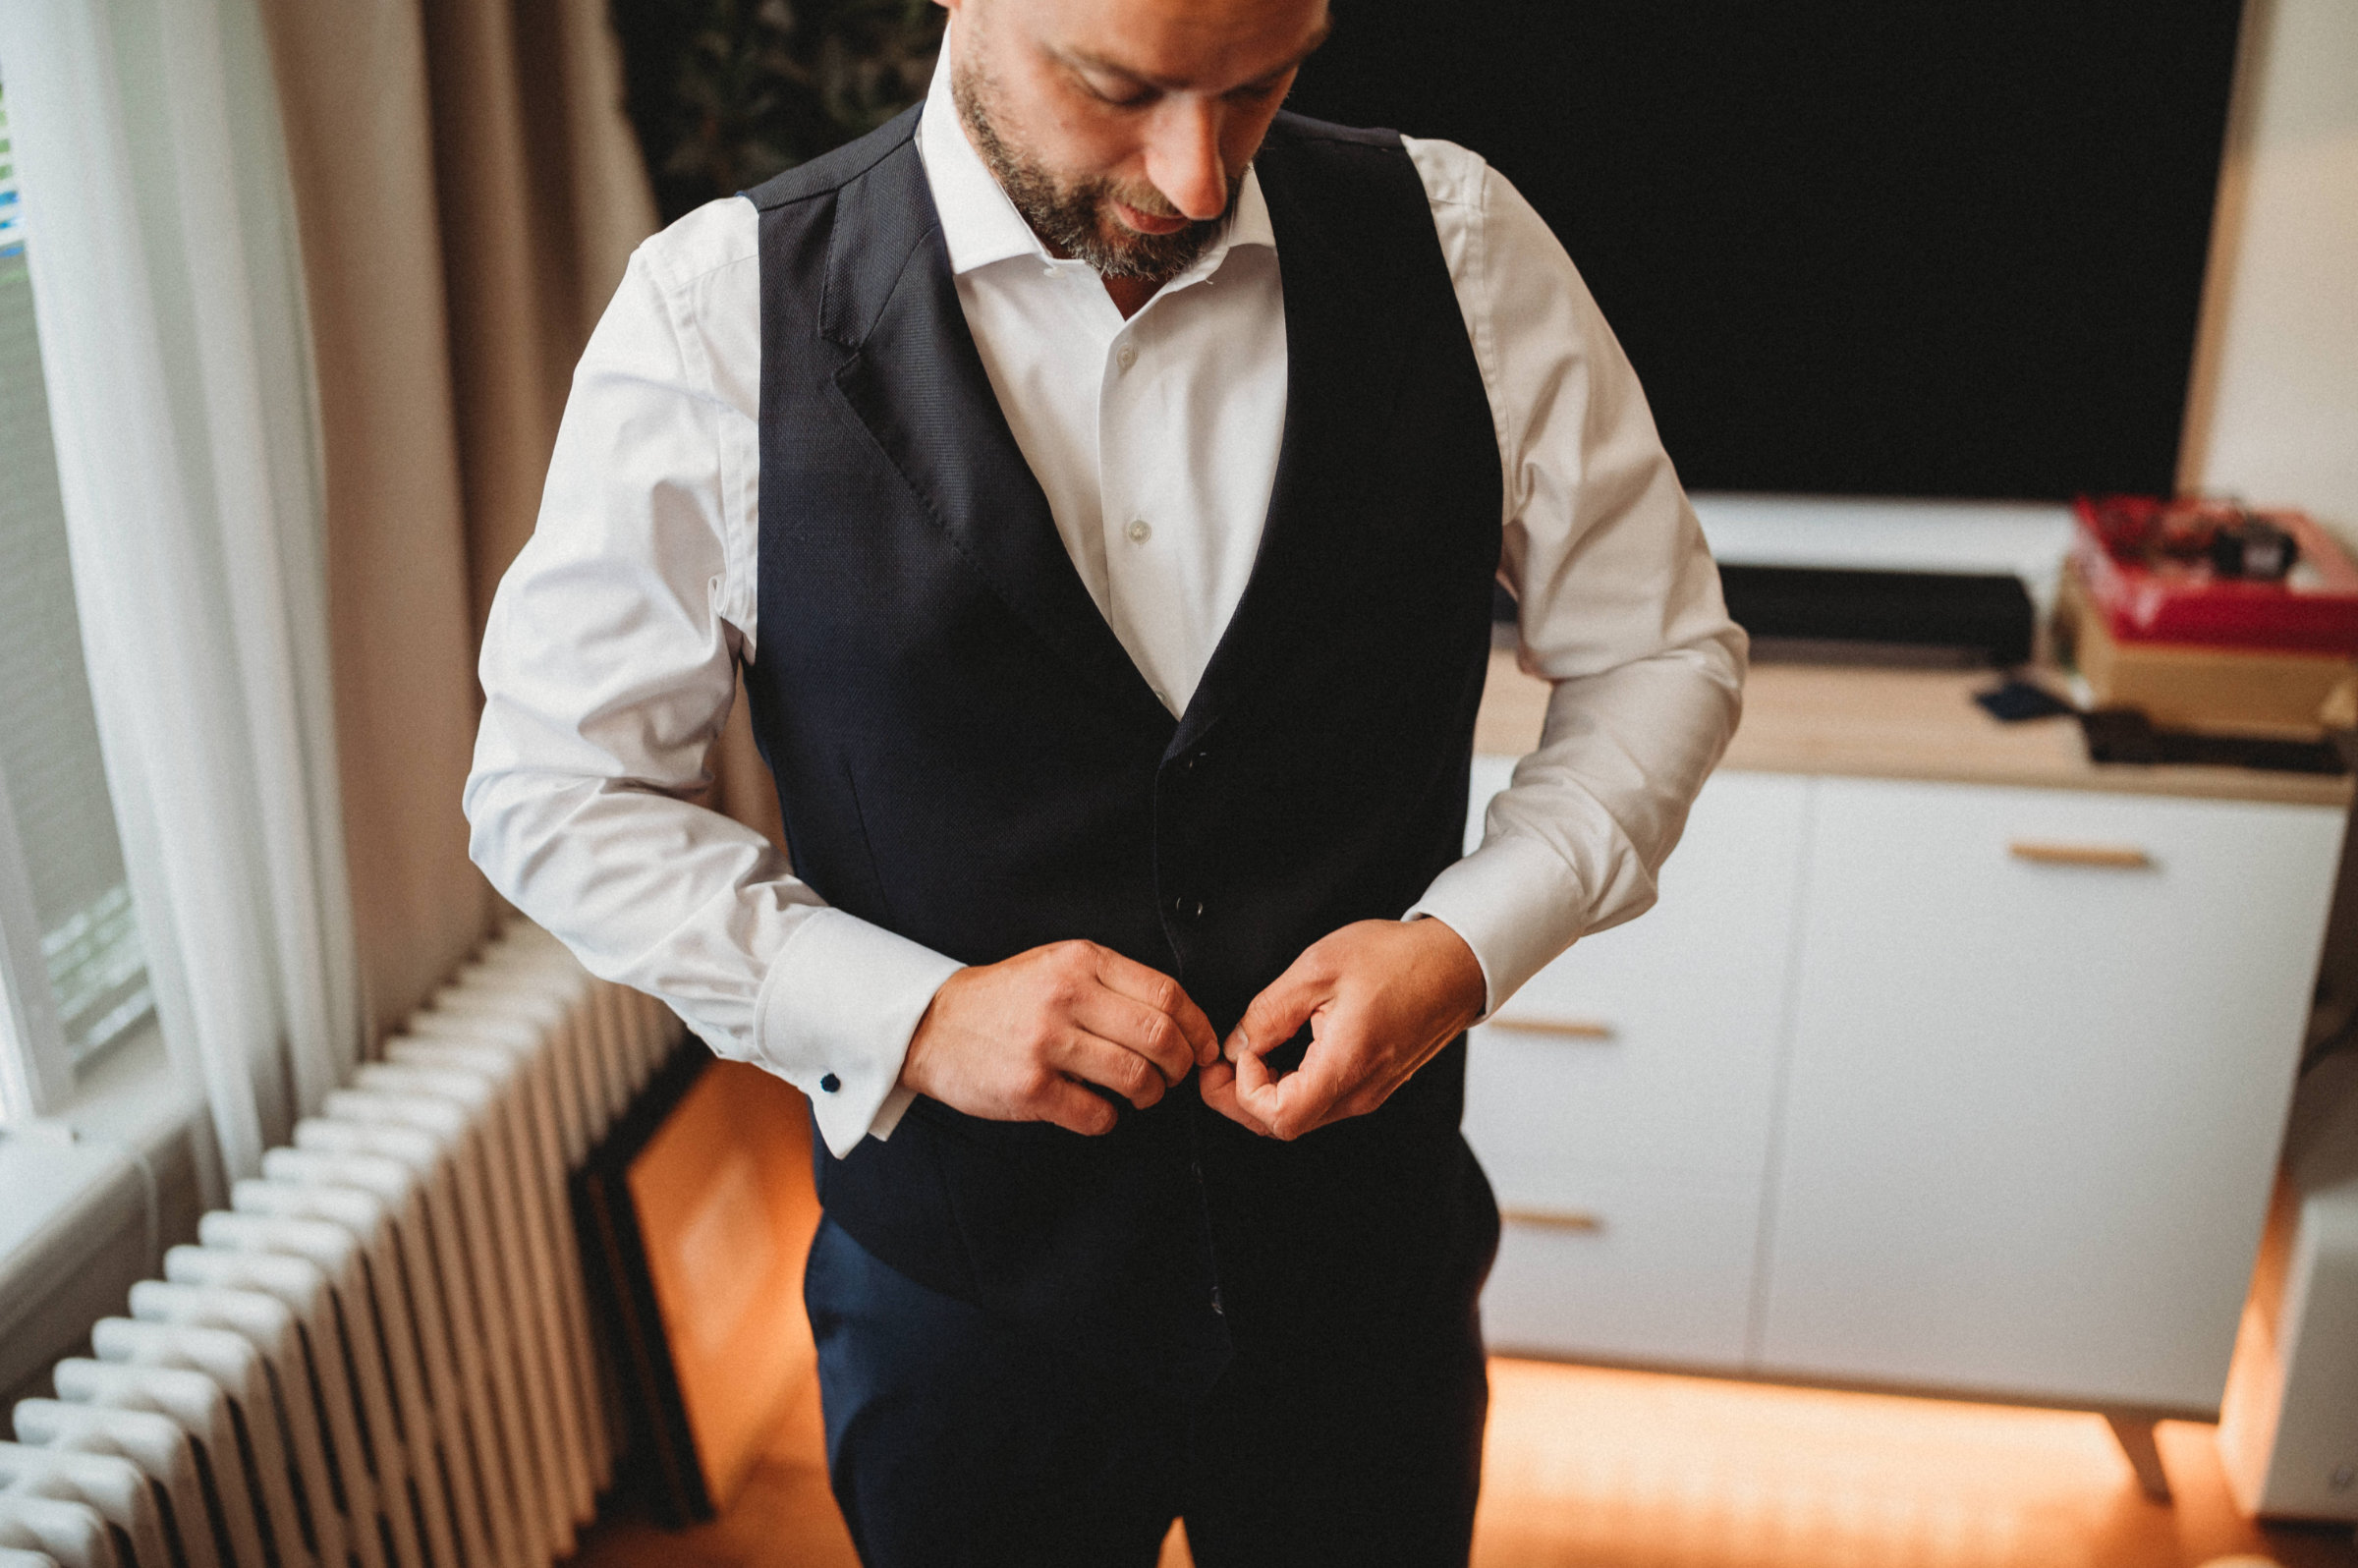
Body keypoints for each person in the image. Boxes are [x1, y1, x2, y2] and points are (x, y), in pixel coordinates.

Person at [465, 0, 1745, 1559]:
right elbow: (555, 789)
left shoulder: (1465, 245)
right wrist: (914, 1017)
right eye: (1116, 87)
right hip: (962, 1324)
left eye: (1261, 86)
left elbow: (1663, 650)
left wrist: (1467, 944)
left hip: (1365, 1291)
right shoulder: (714, 315)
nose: (1197, 178)